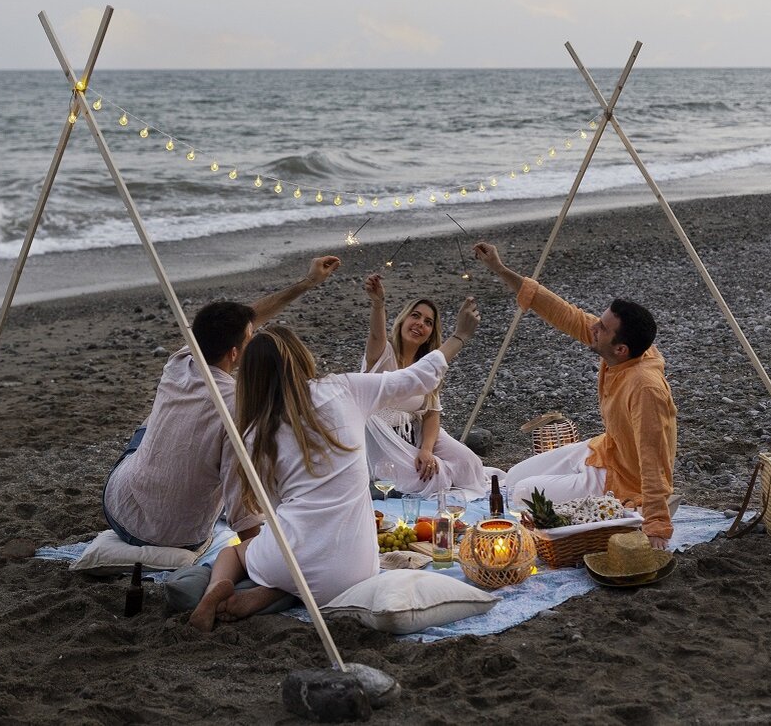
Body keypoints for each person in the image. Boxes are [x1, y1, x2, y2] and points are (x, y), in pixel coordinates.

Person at [188, 298, 481, 631]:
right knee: (310, 569)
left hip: (288, 559)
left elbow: (275, 507)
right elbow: (418, 378)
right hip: (354, 571)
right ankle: (271, 592)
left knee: (234, 553)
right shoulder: (344, 388)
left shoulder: (255, 432)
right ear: (301, 357)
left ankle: (217, 590)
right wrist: (458, 336)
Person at [101, 256, 341, 550]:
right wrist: (263, 556)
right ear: (234, 353)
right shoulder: (239, 408)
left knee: (150, 425)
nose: (253, 336)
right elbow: (241, 501)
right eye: (250, 338)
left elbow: (249, 318)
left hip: (118, 507)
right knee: (209, 449)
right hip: (173, 537)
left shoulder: (179, 362)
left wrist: (308, 282)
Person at [473, 242, 677, 550]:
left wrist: (657, 524)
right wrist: (501, 270)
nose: (593, 326)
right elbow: (565, 314)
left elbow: (654, 457)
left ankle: (611, 508)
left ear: (621, 349)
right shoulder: (623, 351)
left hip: (624, 479)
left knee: (523, 493)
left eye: (602, 327)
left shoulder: (645, 387)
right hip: (605, 449)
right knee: (513, 477)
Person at [360, 273, 490, 500]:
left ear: (430, 333)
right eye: (415, 316)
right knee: (430, 478)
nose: (420, 323)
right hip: (381, 438)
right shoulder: (383, 353)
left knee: (470, 463)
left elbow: (431, 412)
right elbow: (376, 334)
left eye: (428, 322)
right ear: (403, 321)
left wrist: (427, 450)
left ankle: (442, 472)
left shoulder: (427, 364)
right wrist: (378, 303)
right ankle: (439, 479)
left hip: (416, 431)